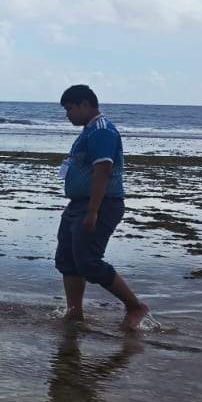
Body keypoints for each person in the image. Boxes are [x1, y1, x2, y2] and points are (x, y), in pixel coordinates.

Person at [55, 84, 149, 330]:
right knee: (68, 259)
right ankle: (74, 312)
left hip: (102, 204)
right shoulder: (87, 131)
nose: (68, 115)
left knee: (88, 261)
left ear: (85, 105)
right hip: (78, 204)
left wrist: (93, 211)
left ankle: (135, 306)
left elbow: (103, 169)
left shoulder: (102, 130)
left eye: (70, 109)